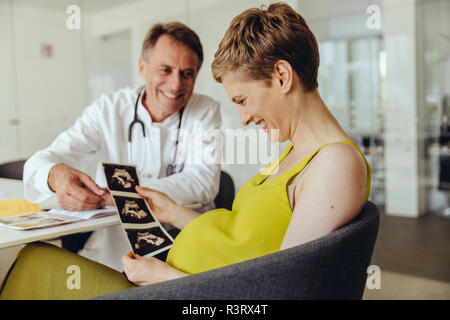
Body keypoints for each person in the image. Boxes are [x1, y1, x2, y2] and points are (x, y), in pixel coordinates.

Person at [1, 2, 371, 300]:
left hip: (182, 290)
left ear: (282, 76)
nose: (242, 118)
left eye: (242, 100)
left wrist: (165, 278)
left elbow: (280, 289)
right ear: (142, 67)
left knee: (35, 264)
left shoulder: (335, 163)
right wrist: (174, 211)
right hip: (174, 279)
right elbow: (245, 239)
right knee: (37, 259)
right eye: (165, 70)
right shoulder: (295, 153)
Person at [22, 22, 222, 271]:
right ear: (142, 67)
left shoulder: (206, 110)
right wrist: (55, 175)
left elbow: (203, 182)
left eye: (187, 73)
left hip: (183, 246)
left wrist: (117, 196)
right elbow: (42, 161)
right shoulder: (108, 109)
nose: (175, 84)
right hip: (114, 249)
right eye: (165, 70)